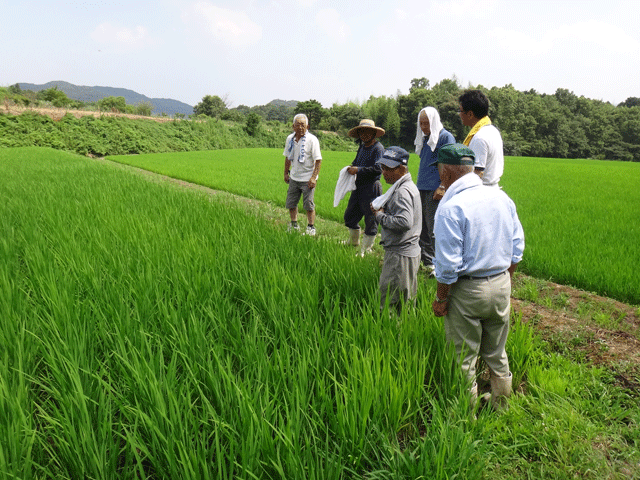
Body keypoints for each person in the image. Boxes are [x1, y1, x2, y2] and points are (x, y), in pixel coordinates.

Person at [431, 143, 525, 410]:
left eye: (439, 170)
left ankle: (465, 415)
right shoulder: (502, 199)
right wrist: (503, 281)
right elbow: (517, 250)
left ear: (446, 173)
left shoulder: (451, 208)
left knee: (463, 356)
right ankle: (502, 406)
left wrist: (441, 299)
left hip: (467, 290)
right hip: (501, 283)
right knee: (496, 351)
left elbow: (448, 267)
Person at [370, 146, 421, 313]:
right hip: (409, 252)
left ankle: (388, 335)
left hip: (400, 255)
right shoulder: (409, 186)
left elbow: (404, 222)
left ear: (401, 168)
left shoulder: (402, 192)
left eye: (388, 168)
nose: (384, 172)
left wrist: (379, 216)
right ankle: (403, 334)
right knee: (404, 303)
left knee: (389, 305)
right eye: (382, 168)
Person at [414, 107, 455, 274]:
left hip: (435, 188)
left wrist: (443, 186)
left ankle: (440, 264)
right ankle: (428, 261)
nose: (424, 126)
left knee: (434, 228)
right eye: (421, 123)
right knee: (421, 227)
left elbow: (450, 164)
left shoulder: (445, 137)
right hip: (422, 187)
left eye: (427, 123)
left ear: (434, 121)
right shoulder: (425, 138)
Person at [343, 119, 385, 255]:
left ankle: (367, 249)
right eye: (362, 132)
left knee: (370, 218)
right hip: (359, 186)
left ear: (373, 133)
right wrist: (351, 167)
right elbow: (356, 162)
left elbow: (379, 168)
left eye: (368, 132)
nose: (364, 134)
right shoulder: (362, 147)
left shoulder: (378, 148)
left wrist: (358, 170)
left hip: (372, 187)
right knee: (350, 214)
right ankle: (353, 241)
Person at [283, 113, 322, 235]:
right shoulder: (290, 139)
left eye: (303, 125)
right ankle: (294, 224)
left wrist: (313, 178)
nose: (300, 127)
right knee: (291, 202)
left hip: (307, 179)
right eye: (298, 124)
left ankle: (311, 227)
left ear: (308, 126)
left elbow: (318, 160)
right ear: (293, 126)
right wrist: (285, 173)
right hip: (294, 177)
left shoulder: (312, 140)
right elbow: (287, 157)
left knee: (309, 205)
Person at [458, 89, 504, 187]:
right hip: (492, 188)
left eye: (461, 111)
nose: (459, 114)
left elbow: (477, 174)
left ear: (470, 114)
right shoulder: (493, 130)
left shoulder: (479, 137)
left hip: (481, 191)